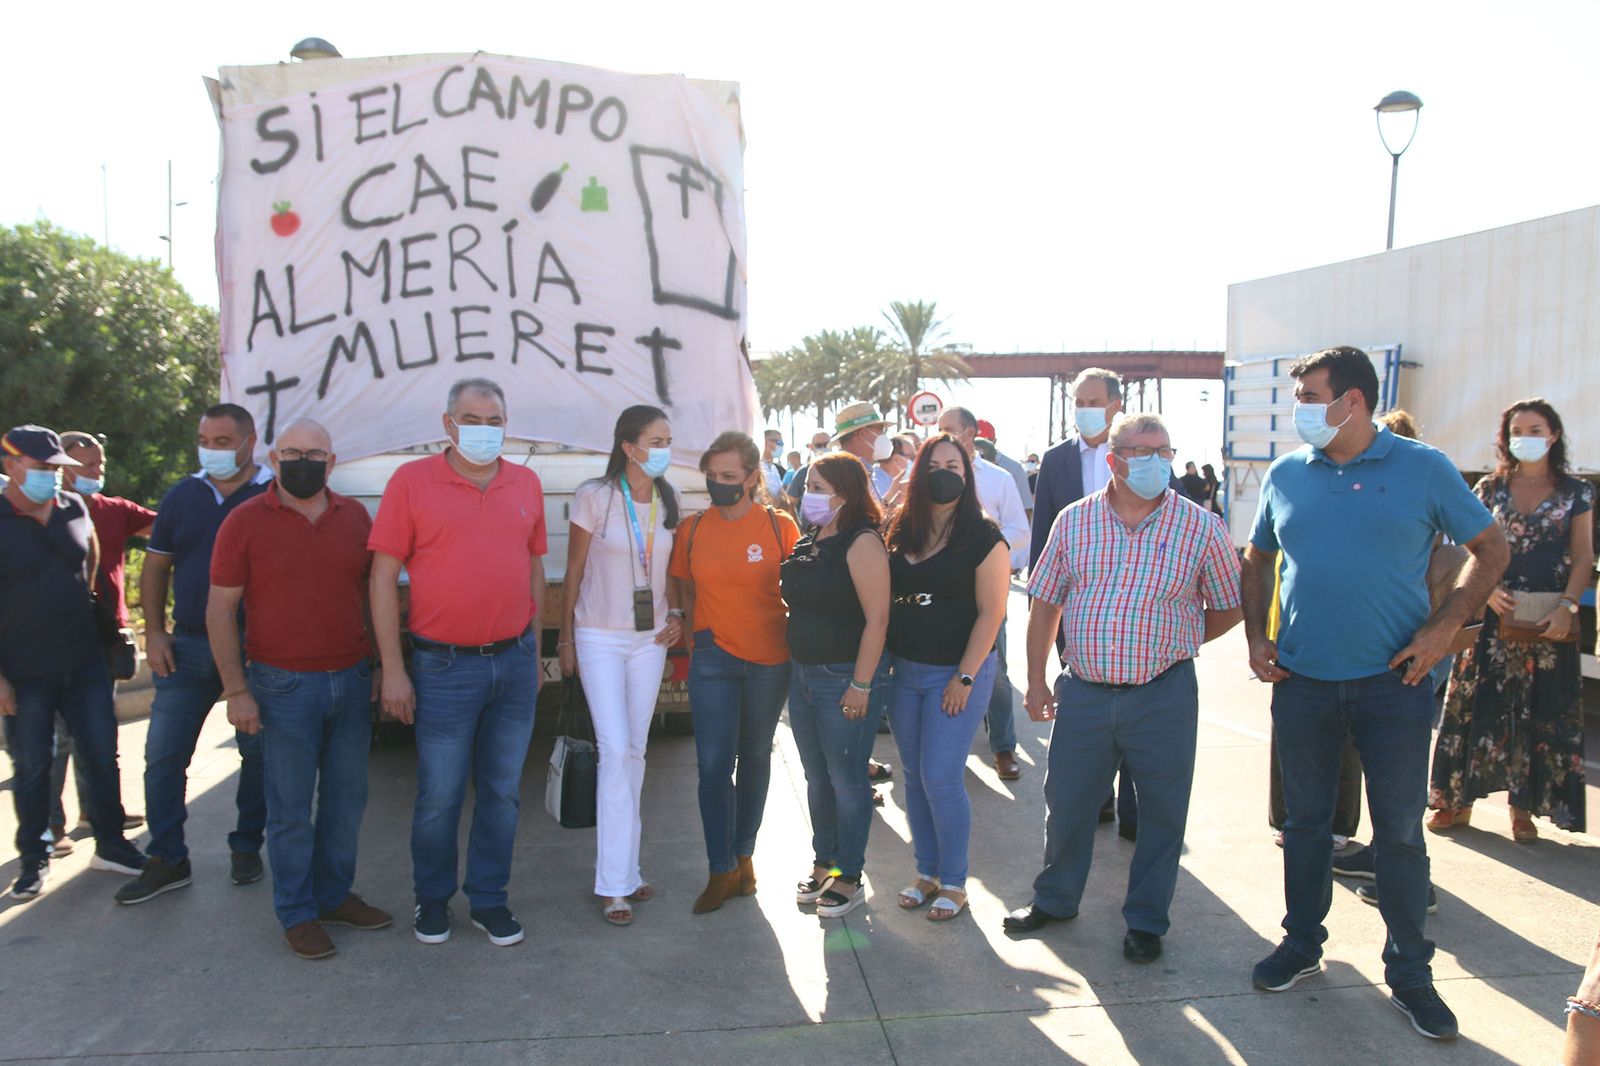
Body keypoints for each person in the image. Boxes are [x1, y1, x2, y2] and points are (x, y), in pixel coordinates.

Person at [1242, 346, 1508, 1041]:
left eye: (1310, 395)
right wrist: (1255, 637)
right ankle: (1302, 943)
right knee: (1304, 829)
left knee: (1397, 834)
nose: (1300, 408)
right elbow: (1260, 557)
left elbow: (1493, 547)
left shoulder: (1423, 468)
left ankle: (1410, 972)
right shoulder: (1285, 474)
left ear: (1352, 400)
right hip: (1301, 684)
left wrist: (1445, 625)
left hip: (1394, 685)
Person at [1004, 414, 1241, 965]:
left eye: (1165, 451)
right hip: (1084, 691)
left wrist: (1179, 638)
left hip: (1164, 692)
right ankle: (1056, 900)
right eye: (1142, 450)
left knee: (1161, 814)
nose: (1157, 461)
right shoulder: (1074, 521)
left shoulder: (1200, 526)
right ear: (1113, 459)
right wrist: (1036, 679)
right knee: (1066, 805)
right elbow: (1045, 604)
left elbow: (1228, 605)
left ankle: (1145, 921)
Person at [370, 378, 547, 948]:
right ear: (448, 425)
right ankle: (433, 900)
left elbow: (534, 566)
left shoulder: (527, 482)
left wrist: (535, 649)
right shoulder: (411, 482)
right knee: (440, 794)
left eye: (494, 419)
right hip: (443, 669)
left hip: (514, 663)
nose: (484, 430)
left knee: (501, 793)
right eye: (472, 419)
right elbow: (380, 577)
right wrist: (393, 668)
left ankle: (490, 900)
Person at [207, 420, 391, 959]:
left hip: (351, 680)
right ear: (273, 457)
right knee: (288, 808)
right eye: (292, 452)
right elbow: (220, 609)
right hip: (280, 686)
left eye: (314, 454)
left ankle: (334, 895)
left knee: (346, 800)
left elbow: (371, 595)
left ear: (332, 463)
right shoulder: (243, 521)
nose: (303, 461)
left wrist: (381, 665)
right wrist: (236, 690)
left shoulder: (355, 517)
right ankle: (298, 913)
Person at [117, 404, 273, 905]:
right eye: (205, 438)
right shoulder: (183, 495)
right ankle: (167, 856)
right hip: (184, 650)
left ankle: (247, 846)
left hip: (254, 651)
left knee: (258, 757)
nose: (211, 448)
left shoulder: (273, 493)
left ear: (250, 443)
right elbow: (157, 566)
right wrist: (156, 633)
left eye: (223, 440)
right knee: (163, 756)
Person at [1428, 399, 1593, 841]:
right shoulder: (1488, 489)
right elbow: (1468, 547)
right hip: (1492, 618)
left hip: (1548, 621)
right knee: (1470, 704)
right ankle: (1454, 802)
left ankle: (1524, 809)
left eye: (1535, 429)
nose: (1526, 437)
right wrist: (1487, 588)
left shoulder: (1576, 492)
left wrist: (1568, 606)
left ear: (1553, 435)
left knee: (1540, 711)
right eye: (1517, 430)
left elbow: (1583, 557)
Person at [1, 425, 147, 900]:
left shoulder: (73, 507)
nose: (53, 477)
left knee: (102, 754)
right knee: (32, 766)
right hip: (24, 671)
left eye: (56, 468)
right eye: (43, 468)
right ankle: (35, 857)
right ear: (11, 465)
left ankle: (111, 844)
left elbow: (90, 567)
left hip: (84, 663)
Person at [559, 405, 685, 927]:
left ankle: (627, 872)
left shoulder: (666, 498)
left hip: (651, 640)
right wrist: (565, 636)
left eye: (668, 440)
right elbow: (573, 571)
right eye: (656, 440)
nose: (664, 449)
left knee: (635, 753)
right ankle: (612, 886)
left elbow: (669, 569)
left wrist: (676, 613)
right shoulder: (594, 496)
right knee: (615, 752)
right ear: (629, 445)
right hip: (598, 638)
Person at [668, 432, 799, 914]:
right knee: (712, 767)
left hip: (770, 660)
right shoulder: (694, 529)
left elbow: (803, 588)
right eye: (712, 477)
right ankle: (719, 867)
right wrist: (688, 625)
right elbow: (680, 582)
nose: (719, 485)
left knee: (756, 760)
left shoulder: (779, 526)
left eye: (728, 477)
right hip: (714, 658)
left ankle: (745, 857)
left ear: (751, 478)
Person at [884, 433, 1009, 922]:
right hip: (905, 673)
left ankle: (955, 882)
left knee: (940, 776)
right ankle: (927, 872)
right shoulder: (900, 529)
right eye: (933, 464)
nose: (944, 473)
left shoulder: (982, 535)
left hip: (955, 675)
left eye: (954, 465)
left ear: (967, 473)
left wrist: (964, 677)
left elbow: (991, 613)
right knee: (914, 777)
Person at [782, 453, 891, 918]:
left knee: (847, 780)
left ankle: (849, 874)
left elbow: (878, 618)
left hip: (842, 677)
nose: (809, 493)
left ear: (844, 493)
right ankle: (824, 860)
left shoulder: (862, 541)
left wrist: (861, 684)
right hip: (802, 674)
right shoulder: (810, 539)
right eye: (808, 483)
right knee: (817, 776)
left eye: (819, 486)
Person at [1030, 368, 1138, 831]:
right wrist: (1041, 604)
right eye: (1078, 400)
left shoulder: (1140, 454)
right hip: (1074, 605)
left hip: (1134, 602)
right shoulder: (1057, 461)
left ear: (1116, 404)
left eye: (1093, 401)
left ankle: (1136, 808)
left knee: (1137, 704)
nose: (1083, 410)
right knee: (1084, 700)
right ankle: (1098, 796)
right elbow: (1043, 538)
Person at [46, 431, 153, 853]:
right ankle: (51, 827)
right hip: (54, 641)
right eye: (87, 466)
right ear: (62, 468)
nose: (96, 473)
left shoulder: (114, 511)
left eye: (100, 466)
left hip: (104, 637)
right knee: (59, 738)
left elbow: (169, 530)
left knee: (98, 731)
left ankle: (98, 811)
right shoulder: (37, 514)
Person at [937, 406, 1030, 781]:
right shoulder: (925, 475)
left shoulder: (998, 479)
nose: (943, 435)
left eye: (951, 429)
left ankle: (1003, 747)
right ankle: (948, 752)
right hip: (940, 593)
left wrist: (985, 554)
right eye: (938, 429)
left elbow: (1019, 531)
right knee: (941, 666)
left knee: (996, 671)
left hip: (986, 589)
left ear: (971, 433)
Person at [976, 419, 1035, 521]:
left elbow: (1026, 509)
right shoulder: (963, 466)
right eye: (976, 442)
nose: (980, 447)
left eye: (986, 441)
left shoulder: (1013, 468)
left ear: (994, 441)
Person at [760, 429, 787, 501]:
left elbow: (781, 492)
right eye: (778, 442)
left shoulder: (773, 468)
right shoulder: (757, 467)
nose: (780, 446)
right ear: (765, 442)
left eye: (781, 443)